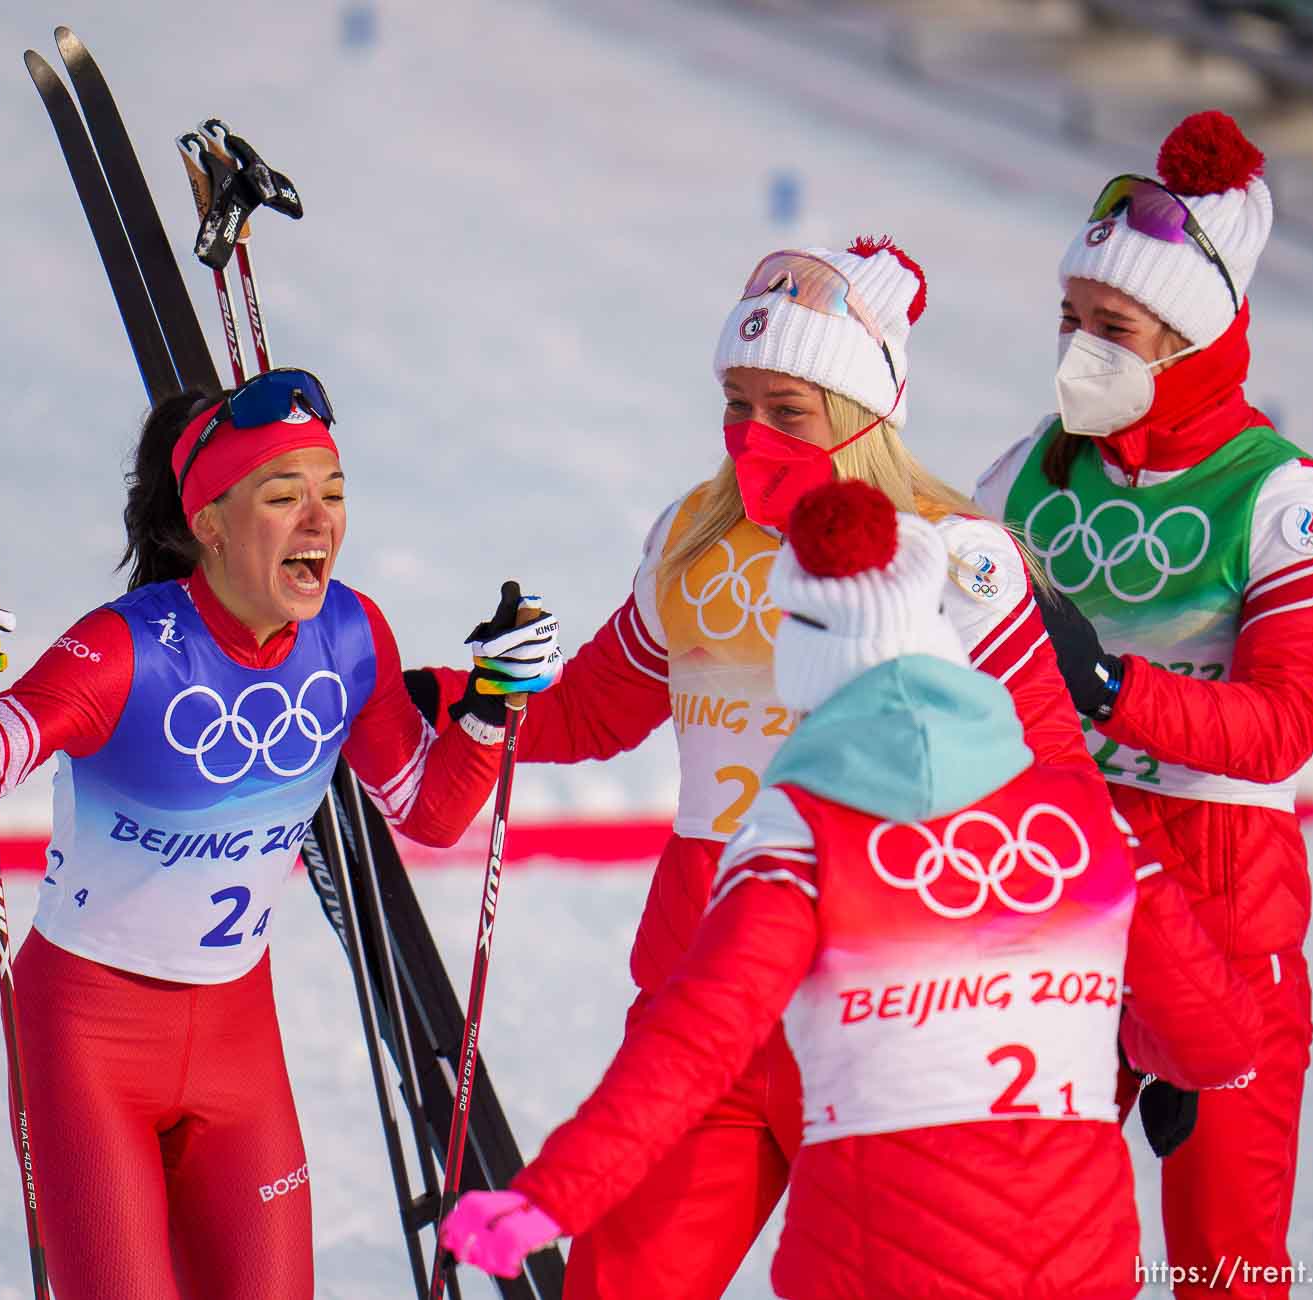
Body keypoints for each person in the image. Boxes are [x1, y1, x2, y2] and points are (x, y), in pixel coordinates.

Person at [406, 235, 1102, 1298]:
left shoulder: (950, 556)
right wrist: (469, 697)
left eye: (787, 409)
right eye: (735, 403)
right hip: (703, 1003)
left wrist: (1126, 1017)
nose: (750, 436)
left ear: (865, 415)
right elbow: (594, 710)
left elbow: (1059, 794)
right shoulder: (691, 535)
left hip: (880, 1030)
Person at [437, 480, 1262, 1299]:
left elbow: (693, 1045)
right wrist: (1117, 1046)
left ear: (809, 651)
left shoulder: (801, 838)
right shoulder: (1081, 816)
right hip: (1076, 1266)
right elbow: (1216, 1038)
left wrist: (550, 1196)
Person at [0, 368, 564, 1300]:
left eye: (332, 495)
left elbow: (428, 807)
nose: (318, 521)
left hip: (235, 1035)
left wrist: (489, 709)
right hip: (89, 1035)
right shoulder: (123, 651)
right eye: (282, 496)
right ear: (208, 522)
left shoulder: (349, 633)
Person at [973, 112, 1313, 1298]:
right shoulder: (1027, 472)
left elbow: (1278, 729)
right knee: (1027, 1250)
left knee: (1224, 1265)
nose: (1079, 348)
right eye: (1070, 321)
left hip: (1221, 905)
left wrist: (1106, 684)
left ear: (1187, 338)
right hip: (1059, 890)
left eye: (1113, 328)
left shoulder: (1280, 496)